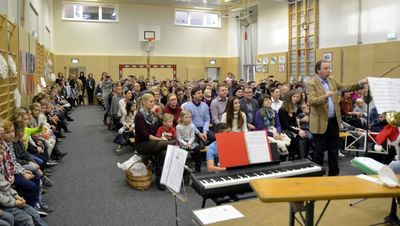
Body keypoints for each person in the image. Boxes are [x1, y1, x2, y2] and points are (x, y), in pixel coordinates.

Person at [305, 60, 367, 176]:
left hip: (334, 121)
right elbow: (312, 101)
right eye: (326, 68)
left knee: (334, 150)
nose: (329, 70)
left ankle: (334, 174)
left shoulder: (332, 80)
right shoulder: (311, 83)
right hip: (320, 122)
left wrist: (360, 83)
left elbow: (346, 87)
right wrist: (325, 96)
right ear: (318, 70)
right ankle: (316, 176)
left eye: (329, 68)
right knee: (319, 152)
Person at [134, 93, 171, 190]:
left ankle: (160, 178)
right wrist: (160, 139)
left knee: (163, 152)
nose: (153, 103)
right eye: (151, 101)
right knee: (170, 144)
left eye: (153, 101)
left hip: (152, 143)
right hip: (142, 144)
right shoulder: (139, 115)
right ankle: (179, 169)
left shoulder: (151, 113)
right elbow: (146, 135)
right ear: (144, 102)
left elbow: (156, 129)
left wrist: (158, 116)